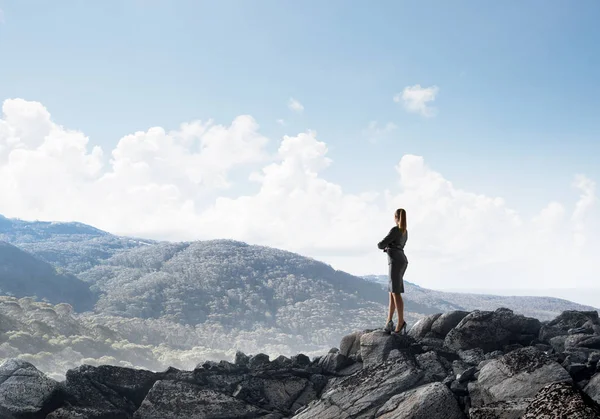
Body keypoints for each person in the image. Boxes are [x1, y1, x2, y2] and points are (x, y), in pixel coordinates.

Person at [377, 208, 408, 334]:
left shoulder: (395, 229)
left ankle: (400, 322)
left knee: (395, 292)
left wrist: (386, 246)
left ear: (396, 217)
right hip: (401, 259)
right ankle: (389, 321)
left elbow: (380, 244)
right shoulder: (405, 231)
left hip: (395, 261)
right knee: (392, 292)